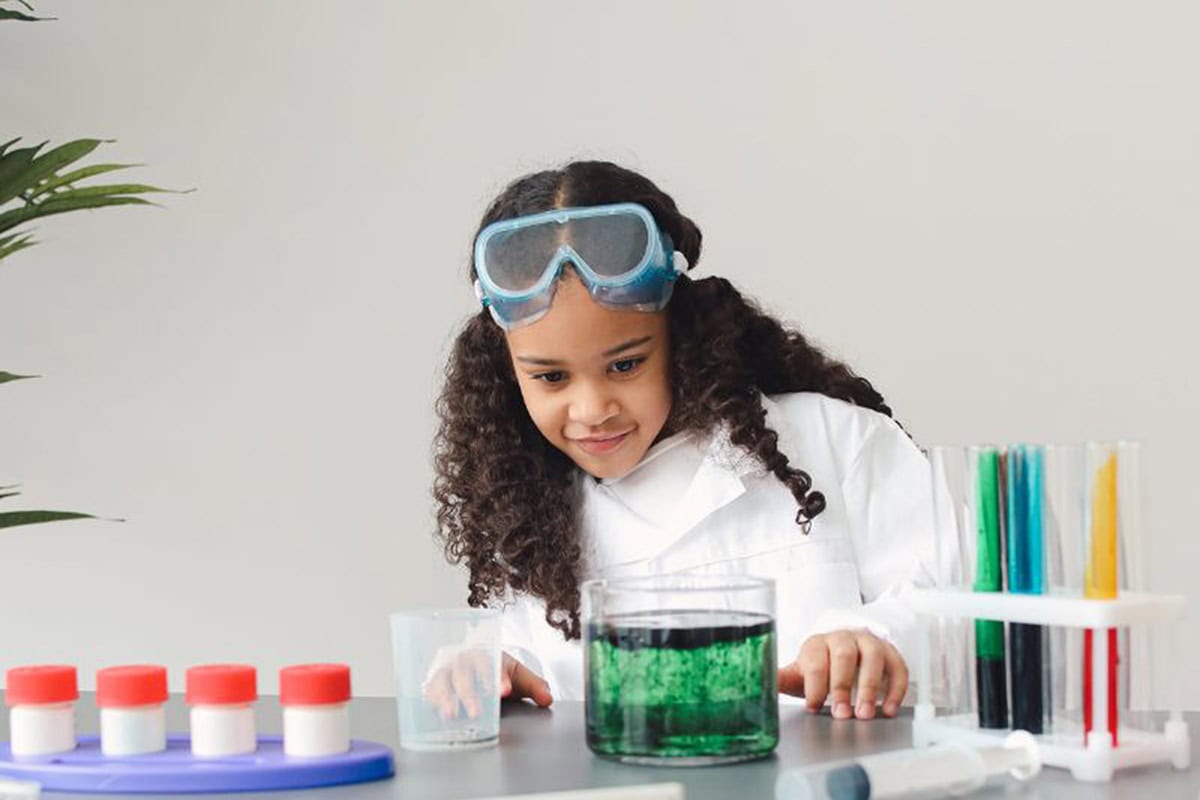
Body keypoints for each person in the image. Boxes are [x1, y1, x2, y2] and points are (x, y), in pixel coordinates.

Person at [432, 160, 941, 722]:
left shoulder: (836, 441)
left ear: (679, 334)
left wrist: (872, 636)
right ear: (508, 372)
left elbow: (962, 597)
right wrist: (484, 666)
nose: (592, 410)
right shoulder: (526, 519)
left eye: (625, 364)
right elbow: (525, 665)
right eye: (551, 377)